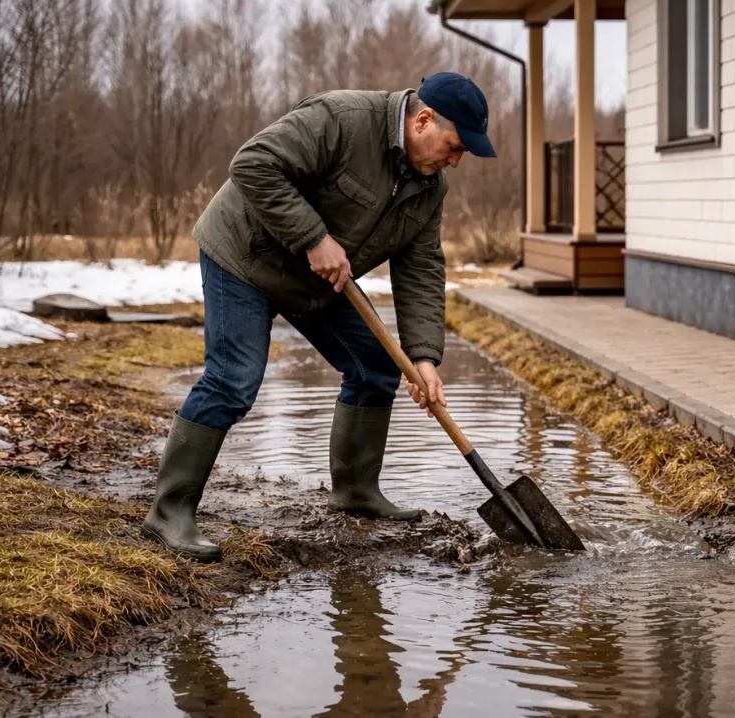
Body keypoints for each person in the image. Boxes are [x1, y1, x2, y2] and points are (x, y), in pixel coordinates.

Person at [141, 72, 497, 563]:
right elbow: (253, 164)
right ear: (423, 120)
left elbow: (421, 270)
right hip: (246, 256)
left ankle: (356, 492)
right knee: (234, 379)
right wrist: (313, 237)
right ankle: (169, 512)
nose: (455, 160)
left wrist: (425, 357)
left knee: (376, 366)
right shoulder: (343, 119)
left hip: (321, 279)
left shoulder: (430, 188)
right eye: (455, 146)